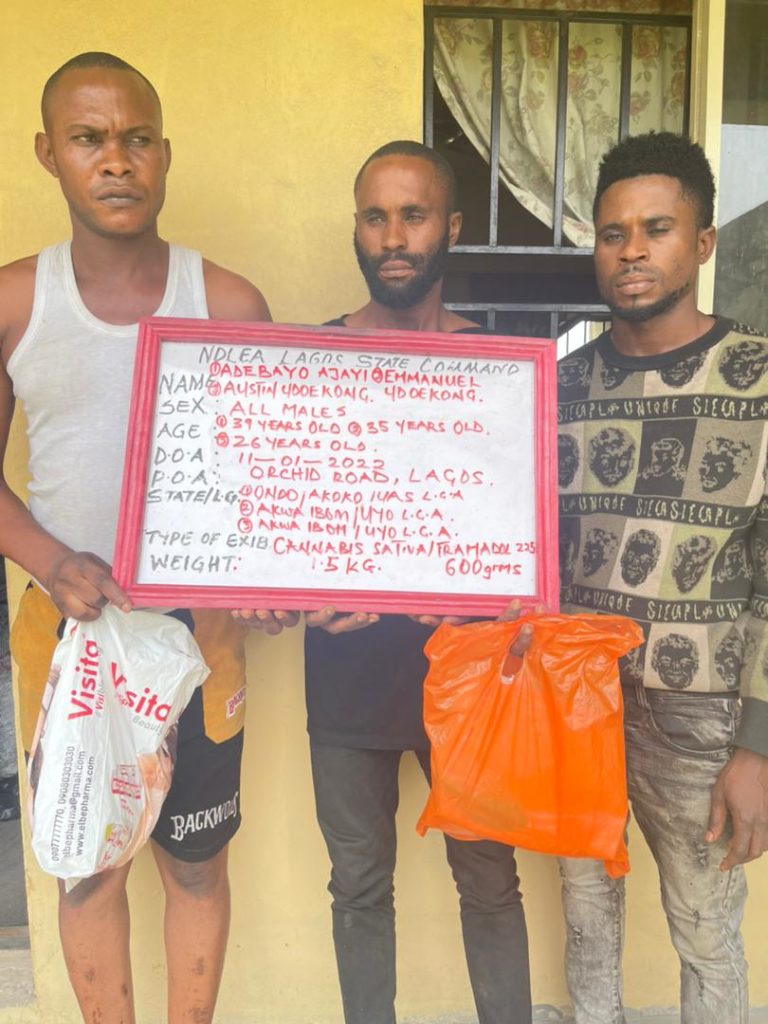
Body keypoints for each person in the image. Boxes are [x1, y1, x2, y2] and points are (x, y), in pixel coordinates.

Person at [0, 52, 270, 1024]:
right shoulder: (16, 303)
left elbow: (268, 480)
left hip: (203, 631)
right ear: (49, 153)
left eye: (137, 138)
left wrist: (268, 578)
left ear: (164, 154)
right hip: (68, 636)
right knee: (89, 868)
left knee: (195, 862)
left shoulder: (229, 303)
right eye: (88, 139)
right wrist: (49, 560)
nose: (116, 160)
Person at [305, 141, 532, 1024]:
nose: (393, 237)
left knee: (491, 883)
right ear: (356, 229)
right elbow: (283, 519)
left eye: (413, 215)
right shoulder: (309, 362)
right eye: (375, 217)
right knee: (357, 886)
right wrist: (288, 593)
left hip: (470, 679)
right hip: (346, 678)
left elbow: (530, 540)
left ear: (453, 227)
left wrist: (501, 599)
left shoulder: (503, 370)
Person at [556, 131, 768, 1024]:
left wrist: (759, 745)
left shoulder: (758, 378)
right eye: (613, 233)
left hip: (702, 712)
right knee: (585, 921)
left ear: (704, 242)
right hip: (578, 700)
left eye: (657, 229)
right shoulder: (561, 385)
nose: (632, 251)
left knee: (706, 929)